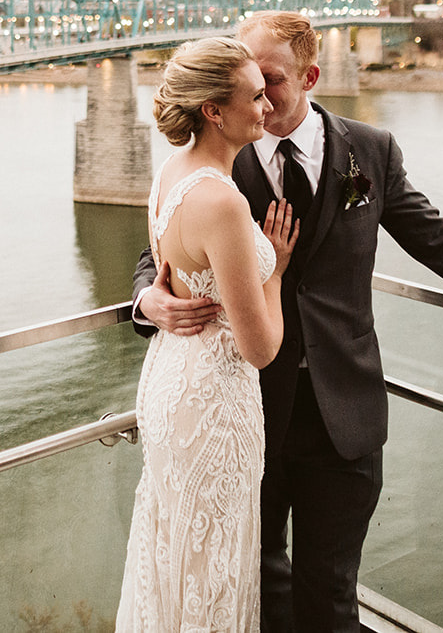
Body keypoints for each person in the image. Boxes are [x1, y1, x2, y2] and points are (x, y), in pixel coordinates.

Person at [133, 12, 443, 633]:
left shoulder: (371, 151)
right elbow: (163, 246)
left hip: (344, 407)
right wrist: (148, 299)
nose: (258, 92)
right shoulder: (216, 160)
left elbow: (440, 241)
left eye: (270, 78)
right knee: (253, 579)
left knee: (330, 591)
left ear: (310, 76)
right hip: (243, 407)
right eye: (247, 79)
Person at [117, 37, 300, 633]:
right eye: (253, 97)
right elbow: (261, 348)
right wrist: (273, 265)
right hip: (216, 404)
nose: (266, 108)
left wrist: (152, 296)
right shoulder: (221, 200)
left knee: (176, 547)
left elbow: (168, 266)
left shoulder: (173, 171)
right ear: (213, 111)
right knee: (214, 564)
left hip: (173, 384)